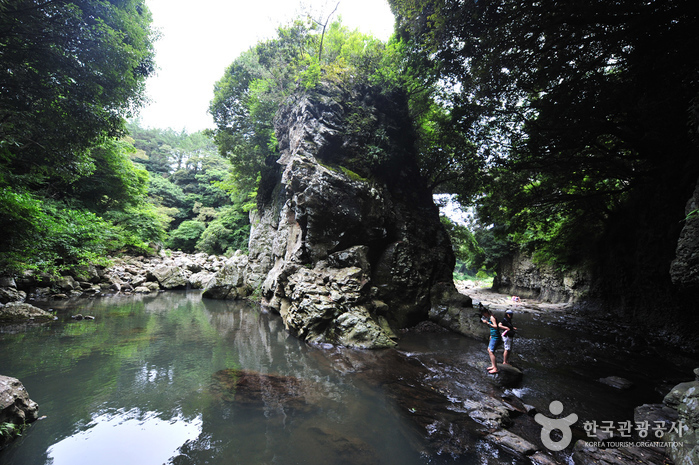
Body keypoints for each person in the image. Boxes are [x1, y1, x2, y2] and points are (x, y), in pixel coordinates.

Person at [480, 305, 501, 373]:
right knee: (490, 350)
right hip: (493, 335)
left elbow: (495, 327)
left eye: (483, 313)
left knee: (490, 351)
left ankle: (495, 368)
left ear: (486, 312)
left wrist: (488, 323)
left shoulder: (492, 317)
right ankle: (493, 365)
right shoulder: (490, 316)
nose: (484, 315)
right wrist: (491, 335)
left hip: (496, 336)